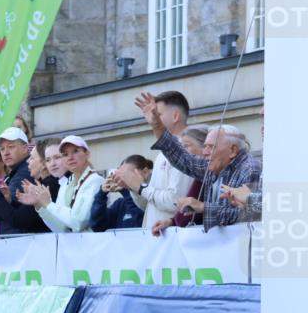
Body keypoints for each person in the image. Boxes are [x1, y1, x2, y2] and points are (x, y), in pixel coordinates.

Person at [136, 92, 261, 231]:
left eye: (211, 147)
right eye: (205, 146)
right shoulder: (216, 165)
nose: (204, 152)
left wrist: (203, 207)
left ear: (232, 150)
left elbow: (249, 216)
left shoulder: (250, 169)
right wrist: (157, 125)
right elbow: (182, 159)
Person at [117, 91, 194, 228]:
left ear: (175, 116)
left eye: (157, 114)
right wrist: (134, 188)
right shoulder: (162, 154)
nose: (151, 118)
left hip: (172, 239)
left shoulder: (187, 149)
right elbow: (148, 205)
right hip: (157, 239)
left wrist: (141, 187)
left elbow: (176, 202)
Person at [19, 135, 104, 233]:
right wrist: (40, 205)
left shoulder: (95, 180)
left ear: (87, 154)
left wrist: (48, 204)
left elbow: (78, 222)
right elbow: (61, 228)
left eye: (75, 151)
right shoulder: (66, 184)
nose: (70, 157)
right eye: (65, 154)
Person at [0, 140, 61, 234]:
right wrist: (10, 200)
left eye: (32, 158)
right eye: (2, 149)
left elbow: (18, 220)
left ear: (43, 163)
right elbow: (25, 216)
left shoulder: (48, 186)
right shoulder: (44, 184)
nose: (28, 161)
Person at [90, 155, 152, 232]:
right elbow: (97, 226)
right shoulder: (120, 204)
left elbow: (142, 224)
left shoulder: (153, 200)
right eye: (120, 175)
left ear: (145, 173)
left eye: (127, 175)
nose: (122, 179)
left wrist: (127, 192)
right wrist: (101, 194)